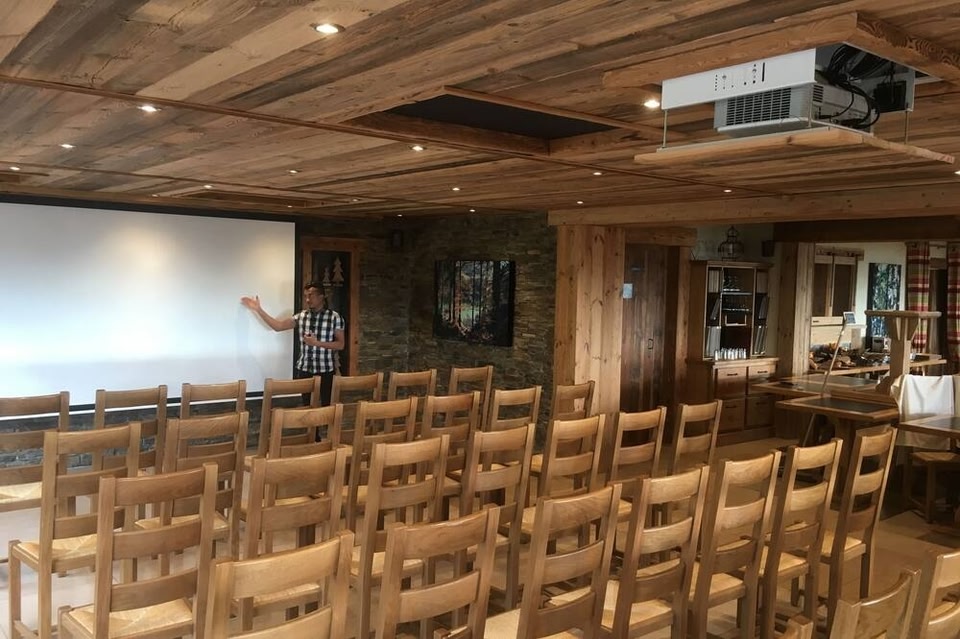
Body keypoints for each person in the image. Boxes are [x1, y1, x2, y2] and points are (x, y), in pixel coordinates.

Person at [241, 282, 344, 406]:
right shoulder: (301, 316)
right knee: (307, 407)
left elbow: (340, 344)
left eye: (310, 296)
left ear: (321, 297)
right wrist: (258, 309)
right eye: (305, 296)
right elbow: (278, 326)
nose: (307, 299)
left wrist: (317, 343)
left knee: (327, 407)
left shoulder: (334, 317)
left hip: (326, 371)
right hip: (305, 370)